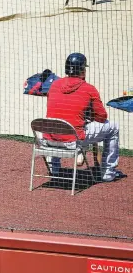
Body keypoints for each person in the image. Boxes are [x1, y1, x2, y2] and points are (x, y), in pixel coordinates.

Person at [44, 52, 125, 182]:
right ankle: (108, 173)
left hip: (49, 139)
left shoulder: (54, 85)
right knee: (113, 127)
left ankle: (55, 172)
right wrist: (89, 116)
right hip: (73, 140)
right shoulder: (89, 89)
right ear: (82, 70)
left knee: (57, 126)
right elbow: (102, 117)